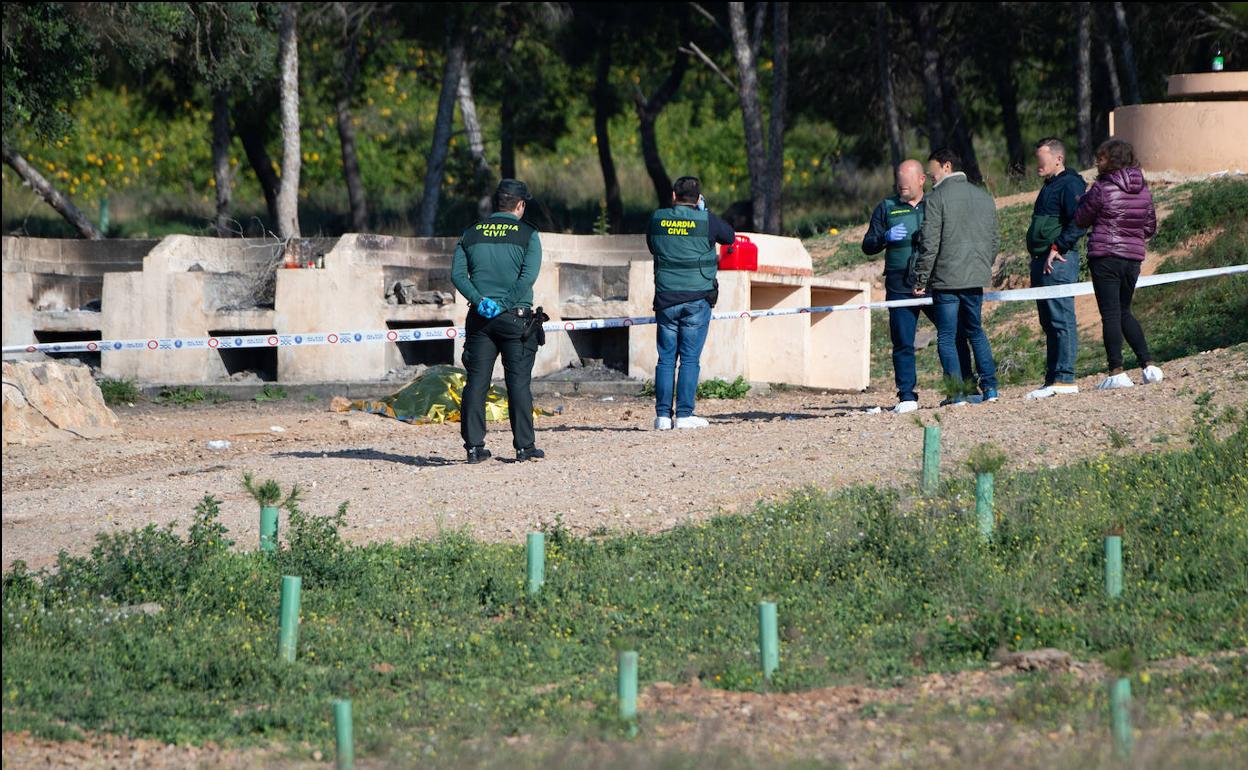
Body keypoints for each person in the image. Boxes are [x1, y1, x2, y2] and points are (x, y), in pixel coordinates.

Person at [862, 159, 974, 413]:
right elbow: (868, 245)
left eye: (906, 185)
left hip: (937, 281)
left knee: (954, 333)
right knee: (902, 340)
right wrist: (884, 238)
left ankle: (961, 388)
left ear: (921, 180)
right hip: (899, 282)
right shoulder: (887, 207)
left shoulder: (936, 202)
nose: (902, 189)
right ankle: (907, 396)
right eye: (899, 185)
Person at [450, 179, 546, 463]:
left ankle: (474, 448)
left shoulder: (471, 233)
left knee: (476, 382)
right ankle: (524, 447)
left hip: (480, 319)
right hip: (515, 319)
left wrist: (481, 302)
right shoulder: (528, 234)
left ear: (496, 204)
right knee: (517, 383)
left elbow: (457, 275)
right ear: (520, 205)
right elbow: (527, 277)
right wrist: (503, 306)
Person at [910, 148, 1000, 405]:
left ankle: (957, 393)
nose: (930, 177)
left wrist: (920, 279)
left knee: (947, 336)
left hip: (946, 279)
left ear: (946, 166)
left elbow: (930, 243)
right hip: (975, 277)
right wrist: (983, 266)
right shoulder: (983, 196)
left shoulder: (937, 198)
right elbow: (994, 241)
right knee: (976, 331)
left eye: (933, 171)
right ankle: (990, 388)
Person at [647, 175, 735, 429]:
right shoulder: (706, 220)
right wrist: (705, 212)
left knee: (665, 358)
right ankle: (685, 415)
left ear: (673, 197)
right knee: (689, 359)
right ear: (698, 199)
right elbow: (729, 237)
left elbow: (653, 246)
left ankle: (663, 417)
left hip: (666, 298)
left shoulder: (657, 218)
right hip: (697, 299)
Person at [1075, 139, 1163, 390]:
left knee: (1111, 313)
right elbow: (1149, 227)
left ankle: (1116, 371)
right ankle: (1148, 365)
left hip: (1105, 256)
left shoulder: (1102, 188)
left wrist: (1081, 201)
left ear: (1112, 160)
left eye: (1101, 158)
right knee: (1124, 310)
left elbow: (1081, 219)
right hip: (1133, 258)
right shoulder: (1144, 189)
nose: (1096, 162)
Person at [1025, 137, 1086, 400]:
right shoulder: (1048, 185)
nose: (1038, 163)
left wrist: (1057, 247)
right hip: (1040, 262)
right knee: (1048, 321)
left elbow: (1080, 221)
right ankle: (1052, 378)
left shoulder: (1071, 183)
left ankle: (1065, 377)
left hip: (1059, 262)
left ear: (1058, 159)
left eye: (1043, 158)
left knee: (1061, 318)